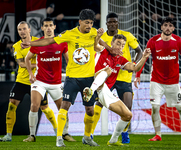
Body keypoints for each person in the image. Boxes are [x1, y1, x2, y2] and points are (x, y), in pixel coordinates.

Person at [21, 9, 119, 147]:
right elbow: (49, 41)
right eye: (86, 23)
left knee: (90, 110)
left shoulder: (93, 32)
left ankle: (87, 137)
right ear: (80, 22)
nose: (89, 26)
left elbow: (102, 43)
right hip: (72, 78)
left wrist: (111, 49)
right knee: (64, 106)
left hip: (88, 79)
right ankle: (59, 138)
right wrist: (31, 43)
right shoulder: (69, 34)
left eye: (91, 23)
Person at [134, 17, 181, 141]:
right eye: (165, 25)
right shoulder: (153, 41)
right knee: (155, 107)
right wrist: (138, 76)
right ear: (161, 27)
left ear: (173, 28)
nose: (168, 27)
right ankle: (158, 134)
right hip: (156, 81)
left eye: (170, 25)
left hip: (173, 82)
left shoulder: (178, 41)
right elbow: (144, 58)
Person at [83, 34, 151, 146]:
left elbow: (134, 68)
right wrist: (98, 37)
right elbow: (96, 45)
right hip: (91, 81)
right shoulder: (103, 50)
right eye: (118, 43)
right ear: (112, 43)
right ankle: (90, 91)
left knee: (127, 115)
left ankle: (113, 140)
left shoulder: (121, 60)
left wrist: (144, 56)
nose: (120, 46)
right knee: (108, 70)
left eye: (123, 45)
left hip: (104, 90)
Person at [90, 12, 143, 144]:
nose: (113, 24)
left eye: (115, 22)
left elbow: (139, 51)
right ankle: (90, 133)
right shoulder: (103, 39)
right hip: (108, 77)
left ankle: (123, 133)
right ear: (106, 23)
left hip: (123, 75)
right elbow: (96, 46)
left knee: (127, 106)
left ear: (118, 23)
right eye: (110, 22)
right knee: (99, 103)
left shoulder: (127, 36)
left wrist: (134, 67)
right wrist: (98, 38)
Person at [0, 21, 55, 142]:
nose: (22, 31)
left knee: (45, 107)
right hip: (21, 81)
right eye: (20, 30)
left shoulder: (39, 42)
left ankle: (58, 131)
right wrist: (39, 63)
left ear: (29, 30)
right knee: (11, 106)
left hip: (38, 81)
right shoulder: (16, 46)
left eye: (24, 29)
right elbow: (21, 64)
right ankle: (8, 135)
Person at [23, 18, 75, 142]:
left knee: (63, 108)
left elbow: (68, 60)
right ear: (42, 28)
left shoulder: (62, 43)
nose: (48, 28)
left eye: (50, 25)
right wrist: (31, 74)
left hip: (56, 82)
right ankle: (32, 135)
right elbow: (27, 59)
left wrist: (71, 74)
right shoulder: (38, 43)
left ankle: (65, 133)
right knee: (34, 105)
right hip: (39, 81)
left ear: (54, 27)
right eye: (45, 25)